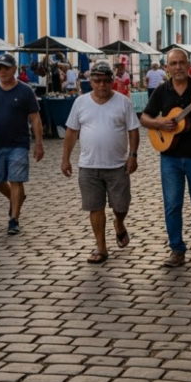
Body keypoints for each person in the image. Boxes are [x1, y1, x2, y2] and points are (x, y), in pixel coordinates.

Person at [140, 49, 191, 268]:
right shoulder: (162, 91)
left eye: (181, 63)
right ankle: (177, 249)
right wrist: (159, 123)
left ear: (189, 65)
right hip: (170, 157)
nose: (177, 67)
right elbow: (144, 118)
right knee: (172, 204)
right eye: (173, 64)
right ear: (167, 68)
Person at [60, 62, 140, 264]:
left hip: (118, 165)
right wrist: (65, 159)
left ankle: (119, 223)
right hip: (88, 165)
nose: (102, 85)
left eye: (106, 81)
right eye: (97, 81)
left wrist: (133, 155)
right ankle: (101, 246)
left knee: (121, 205)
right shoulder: (81, 102)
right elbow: (71, 132)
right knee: (95, 207)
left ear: (112, 81)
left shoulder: (123, 102)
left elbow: (133, 130)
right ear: (91, 82)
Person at [0, 53, 45, 236]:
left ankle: (14, 220)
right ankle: (17, 199)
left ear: (14, 69)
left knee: (16, 180)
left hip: (19, 144)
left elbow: (35, 118)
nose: (2, 71)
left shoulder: (25, 91)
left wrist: (39, 143)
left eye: (6, 68)